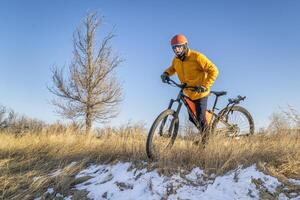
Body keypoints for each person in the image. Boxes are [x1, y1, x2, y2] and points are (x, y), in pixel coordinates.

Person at [161, 34, 219, 144]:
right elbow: (173, 68)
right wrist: (166, 73)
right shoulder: (176, 60)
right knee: (192, 118)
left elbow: (214, 70)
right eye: (174, 47)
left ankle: (206, 142)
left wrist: (205, 86)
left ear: (185, 45)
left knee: (201, 118)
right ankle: (206, 134)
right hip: (188, 92)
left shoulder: (197, 57)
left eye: (179, 47)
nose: (177, 50)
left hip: (200, 92)